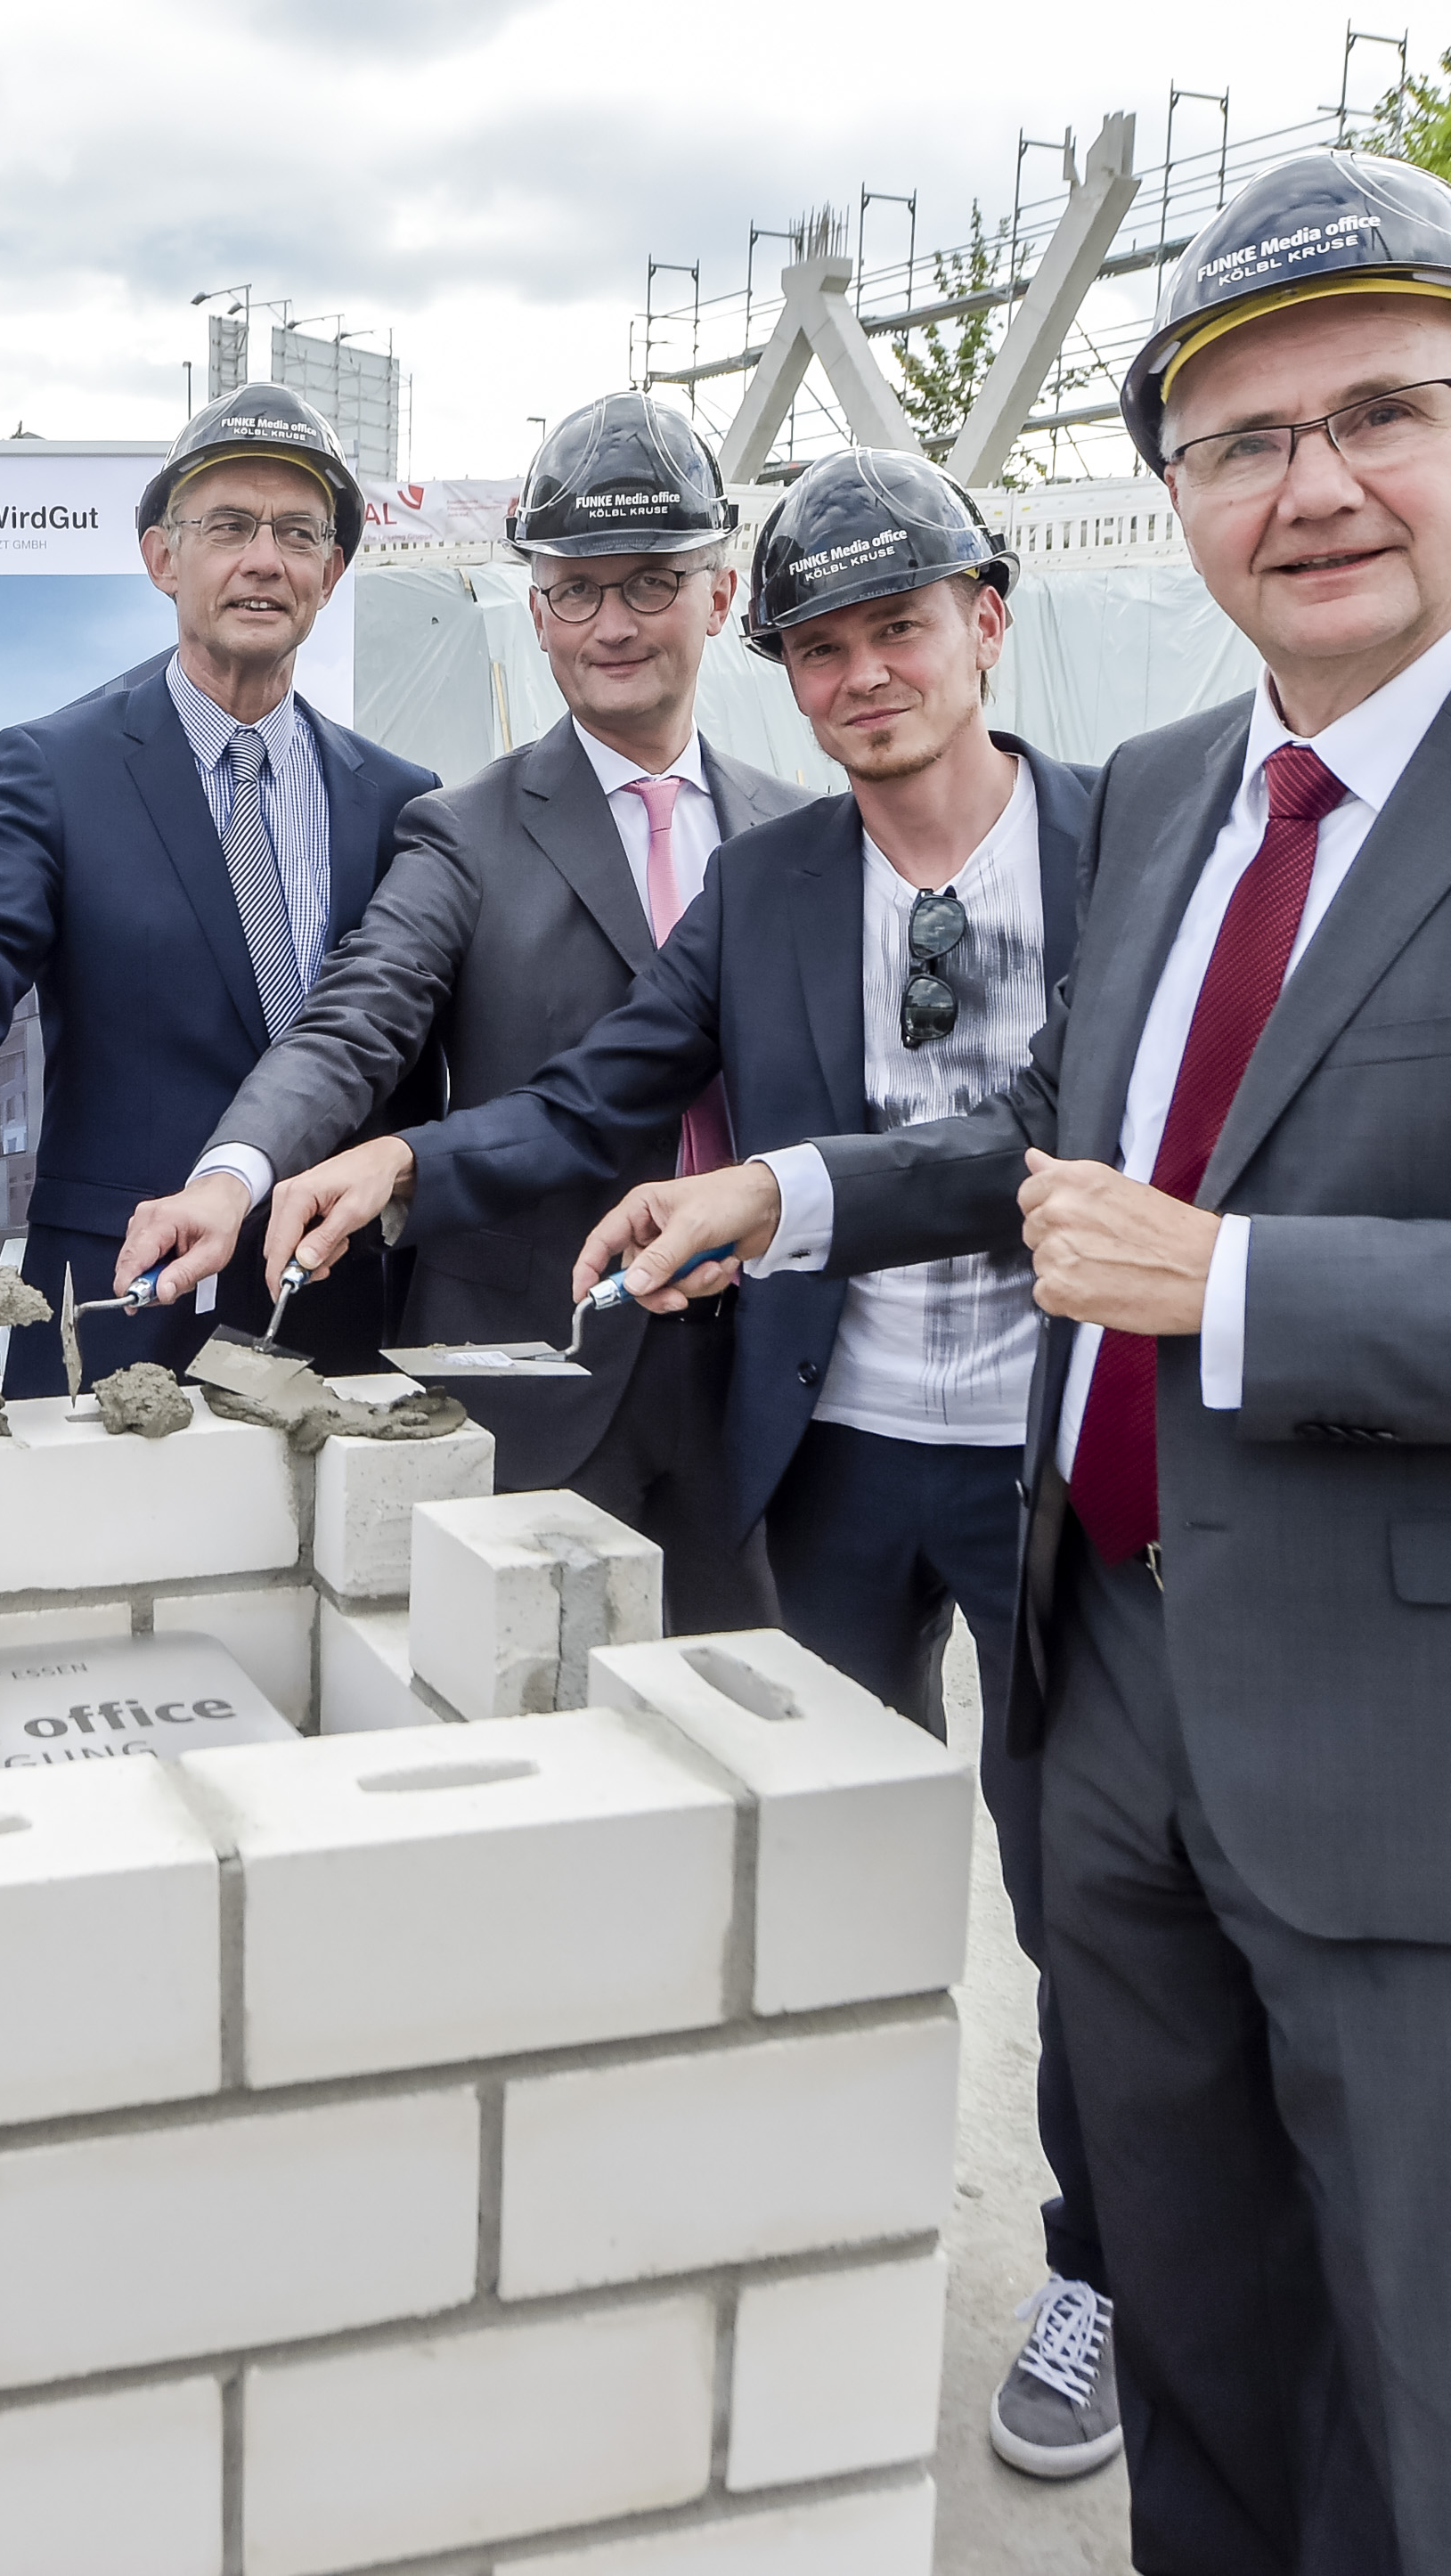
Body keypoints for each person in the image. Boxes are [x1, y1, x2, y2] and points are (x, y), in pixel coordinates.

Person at [567, 152, 1451, 2574]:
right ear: (1171, 496)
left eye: (1378, 410)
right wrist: (796, 1193)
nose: (1310, 486)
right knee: (1197, 2334)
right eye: (1237, 439)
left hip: (1450, 1771)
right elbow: (1069, 1153)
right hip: (1115, 1696)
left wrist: (1249, 1288)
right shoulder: (1176, 788)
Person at [259, 444, 1124, 2480]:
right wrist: (395, 1158)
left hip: (1061, 1460)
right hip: (827, 1450)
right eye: (824, 650)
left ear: (986, 621)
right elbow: (587, 1103)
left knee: (1086, 1885)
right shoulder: (774, 884)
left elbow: (1071, 1141)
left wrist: (784, 1190)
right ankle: (812, 2211)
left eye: (898, 628)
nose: (862, 678)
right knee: (815, 1851)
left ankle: (1100, 2261)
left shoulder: (1123, 846)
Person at [112, 392, 800, 1627]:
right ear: (534, 611)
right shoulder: (462, 832)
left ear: (721, 593)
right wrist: (233, 1171)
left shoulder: (800, 840)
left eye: (649, 584)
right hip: (532, 1379)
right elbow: (352, 1020)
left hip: (761, 1388)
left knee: (757, 1752)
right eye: (576, 590)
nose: (611, 624)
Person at [0, 379, 438, 1385]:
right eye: (227, 525)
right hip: (116, 1314)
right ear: (161, 557)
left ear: (330, 571)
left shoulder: (401, 802)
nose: (262, 559)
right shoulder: (59, 769)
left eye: (295, 532)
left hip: (333, 1310)